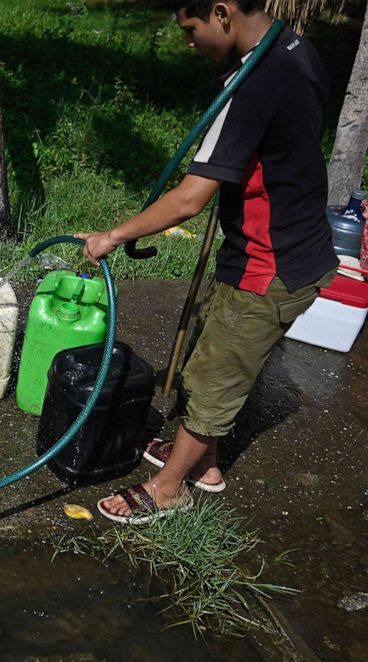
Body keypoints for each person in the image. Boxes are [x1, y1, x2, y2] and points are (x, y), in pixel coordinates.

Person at [76, 0, 338, 523]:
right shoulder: (294, 48)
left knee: (216, 377)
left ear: (221, 12)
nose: (188, 43)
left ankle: (170, 487)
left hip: (271, 263)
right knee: (207, 355)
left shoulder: (252, 84)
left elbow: (190, 198)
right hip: (279, 245)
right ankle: (205, 464)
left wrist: (113, 235)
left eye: (191, 29)